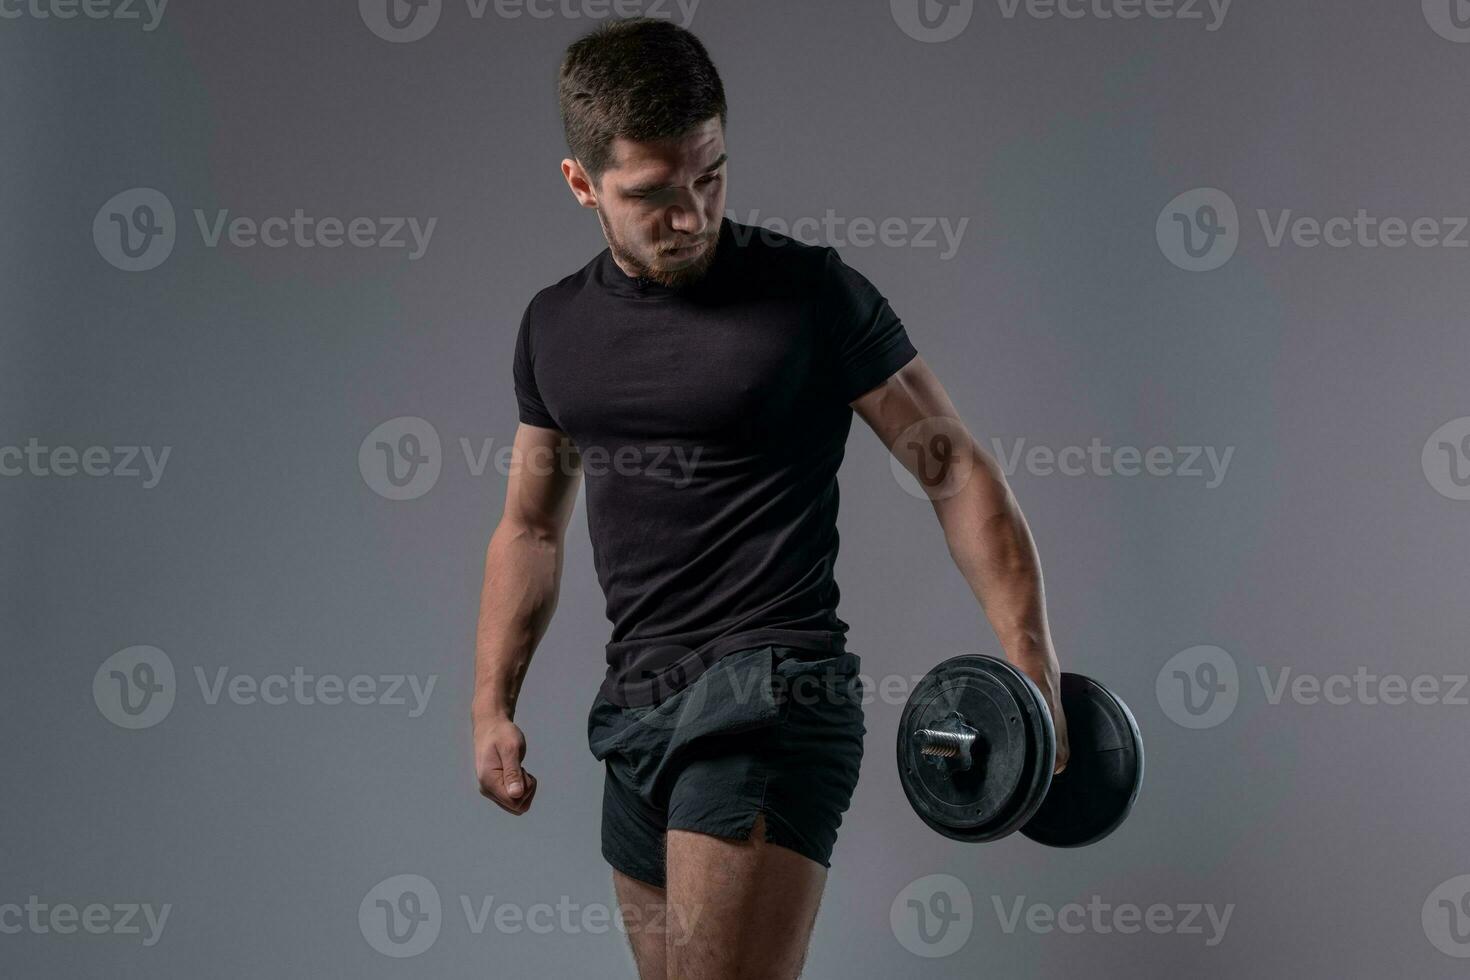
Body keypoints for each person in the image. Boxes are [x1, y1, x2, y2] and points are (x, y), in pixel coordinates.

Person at [471, 16, 1070, 979]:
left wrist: (1030, 657)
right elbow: (530, 526)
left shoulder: (812, 295)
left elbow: (950, 467)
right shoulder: (553, 329)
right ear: (583, 185)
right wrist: (489, 706)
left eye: (710, 176)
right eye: (653, 195)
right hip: (635, 711)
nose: (692, 215)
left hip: (772, 691)